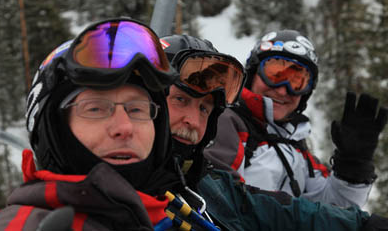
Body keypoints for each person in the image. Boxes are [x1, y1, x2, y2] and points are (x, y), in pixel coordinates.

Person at [0, 22, 387, 231]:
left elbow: (303, 214)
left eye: (297, 80)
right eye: (97, 109)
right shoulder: (232, 135)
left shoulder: (210, 182)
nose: (124, 127)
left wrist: (353, 170)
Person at [160, 34, 388, 231]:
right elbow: (241, 205)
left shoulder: (297, 149)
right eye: (275, 74)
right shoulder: (227, 123)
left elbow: (334, 209)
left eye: (296, 81)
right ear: (253, 73)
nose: (282, 89)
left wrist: (353, 166)